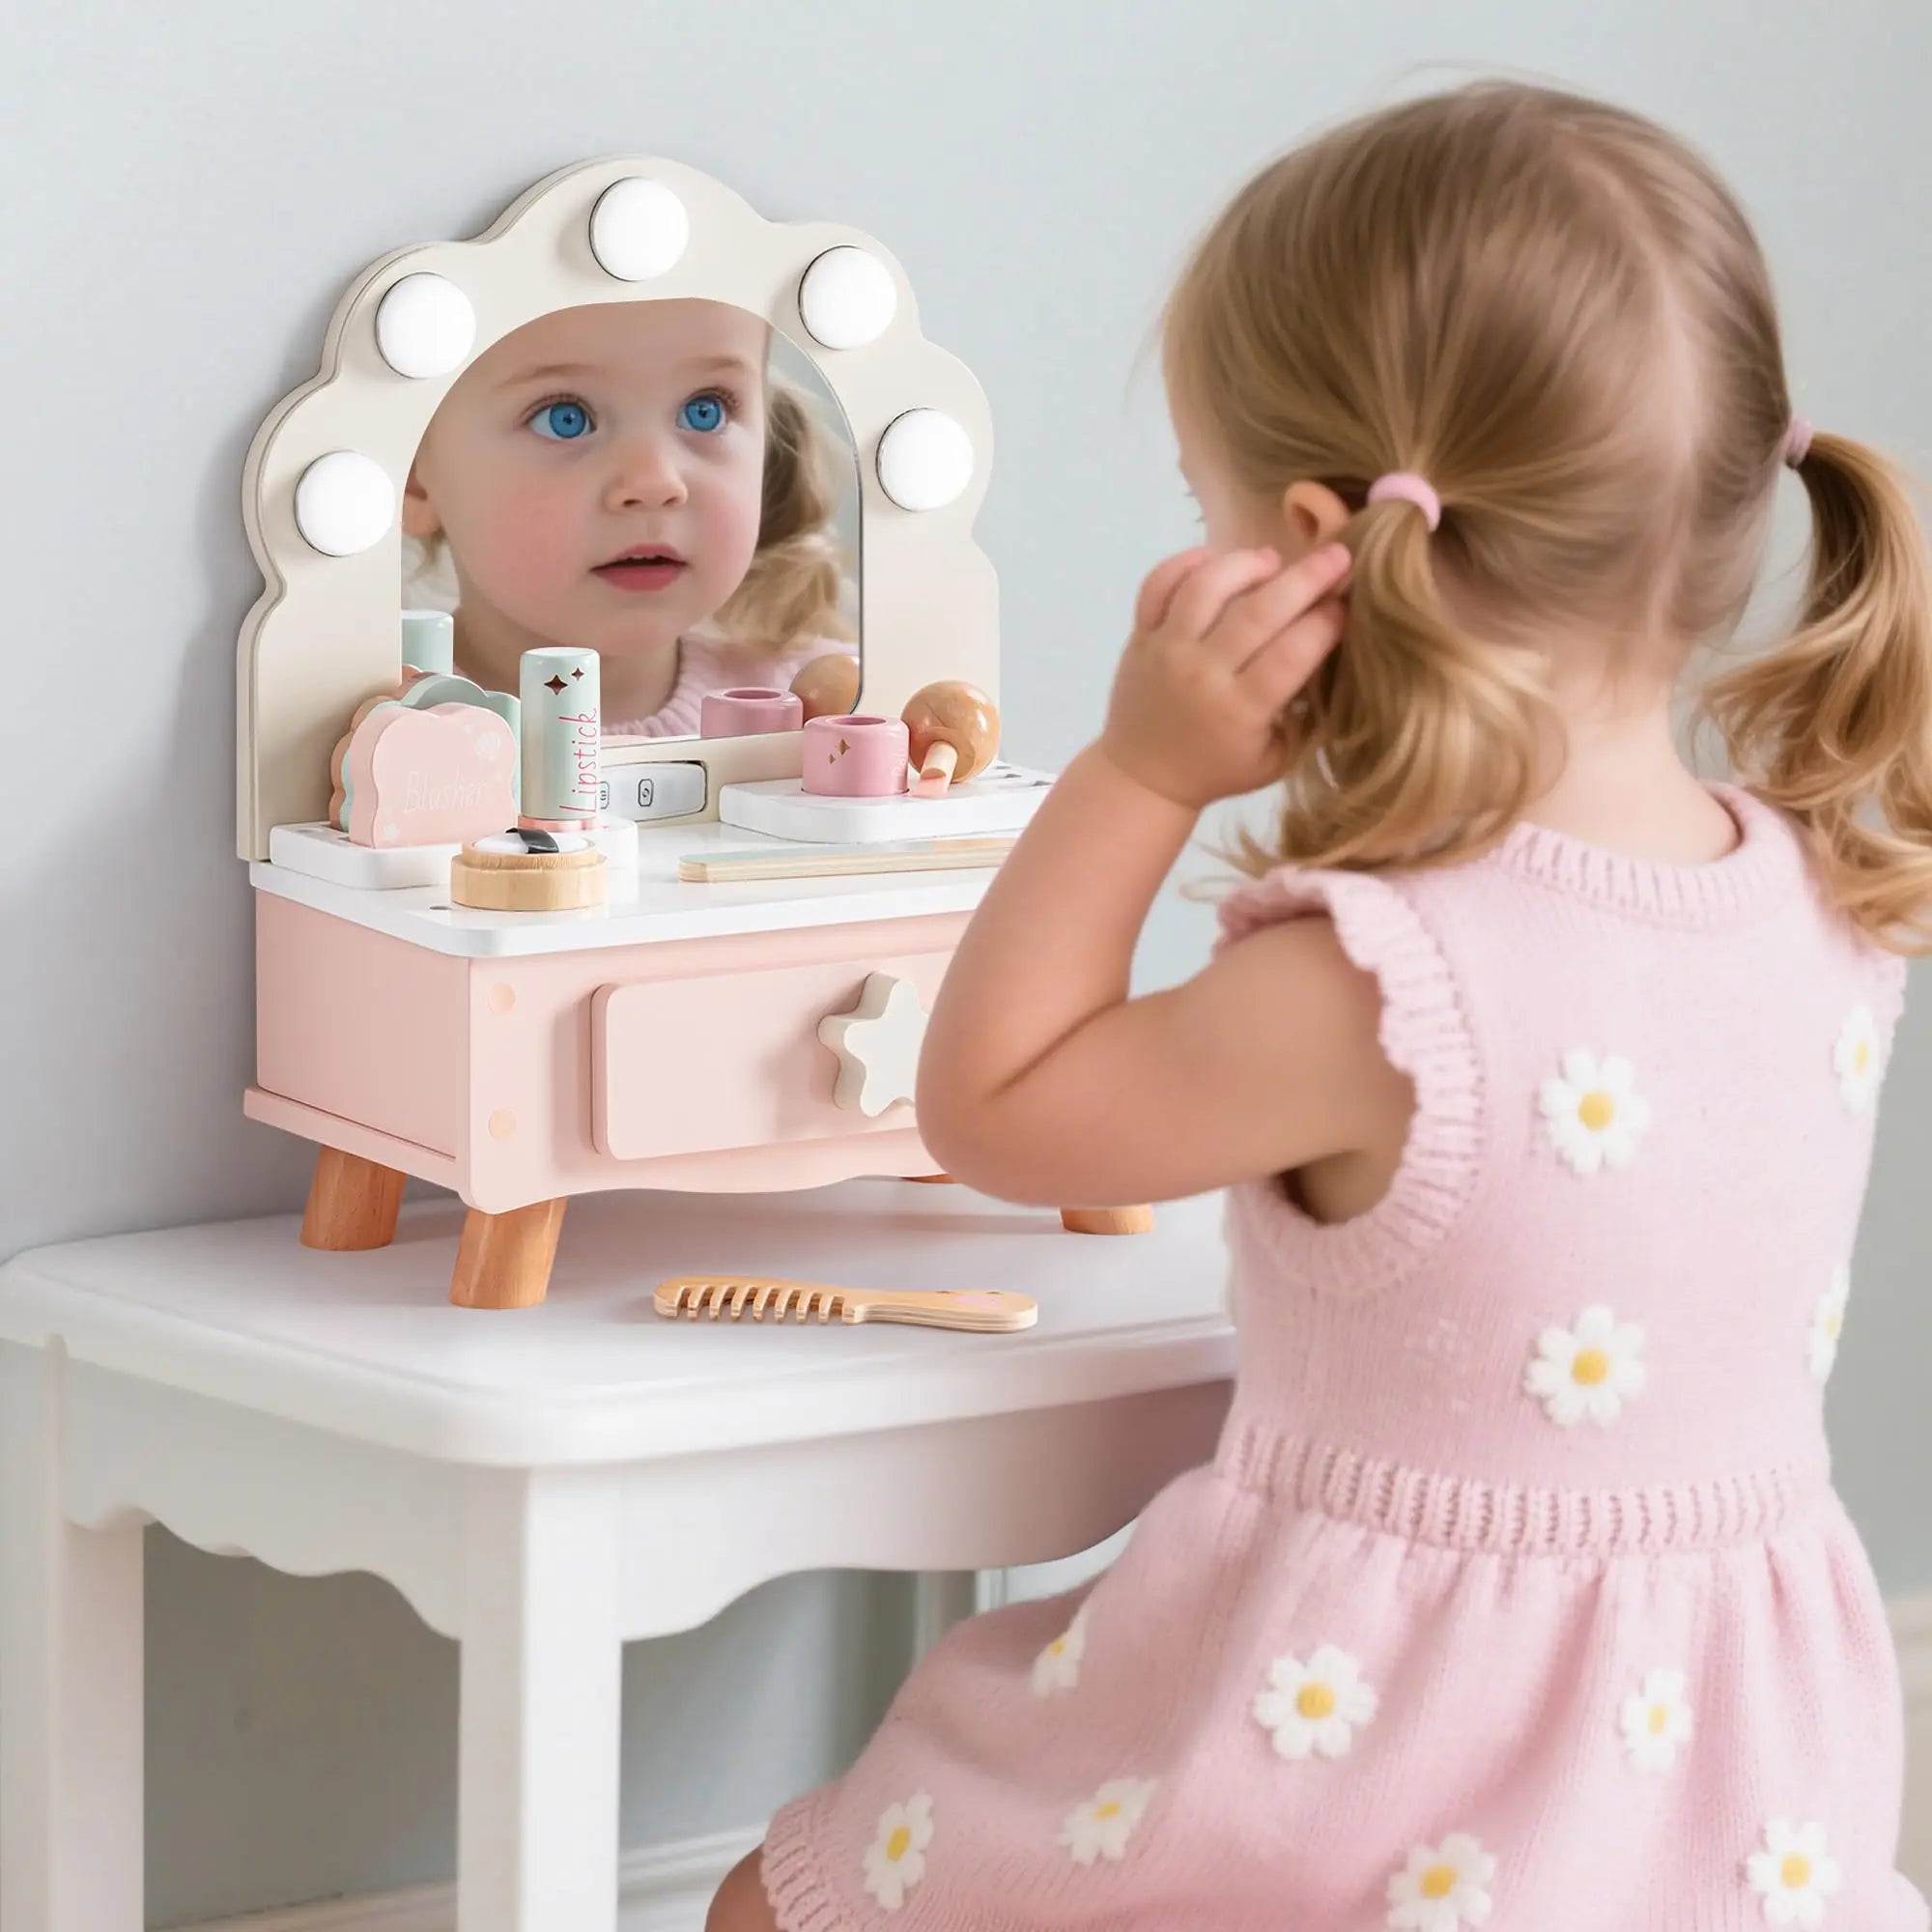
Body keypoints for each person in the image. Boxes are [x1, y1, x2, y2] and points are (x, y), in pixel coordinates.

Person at [710, 80, 1932, 1930]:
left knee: (772, 1900)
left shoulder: (1385, 984)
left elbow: (996, 1103)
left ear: (1302, 540)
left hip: (1369, 1768)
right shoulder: (1826, 890)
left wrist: (1142, 773)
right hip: (1729, 1804)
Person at [402, 298, 853, 735]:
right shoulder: (368, 714)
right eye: (565, 418)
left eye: (704, 411)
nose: (655, 484)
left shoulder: (828, 704)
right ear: (412, 479)